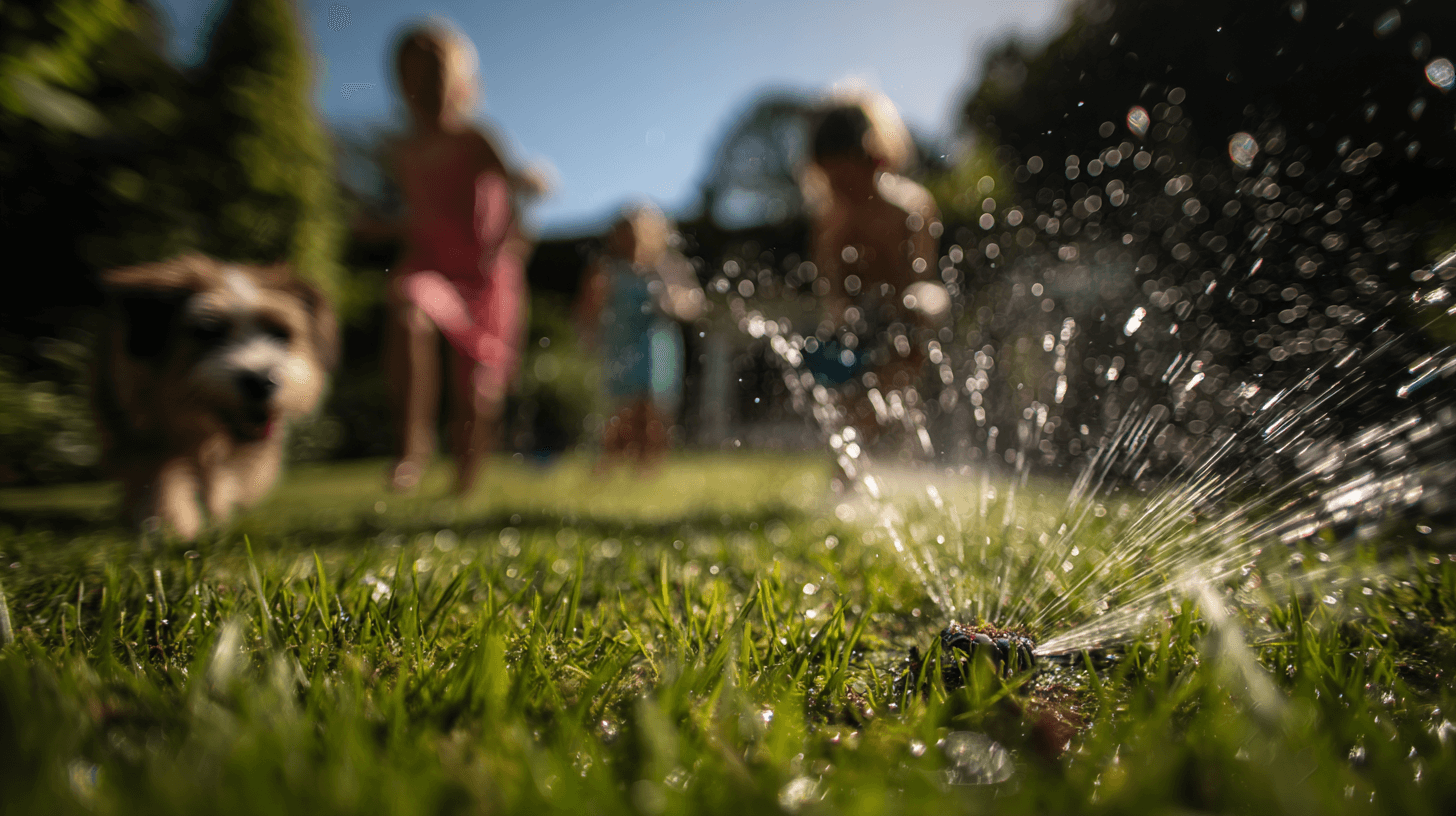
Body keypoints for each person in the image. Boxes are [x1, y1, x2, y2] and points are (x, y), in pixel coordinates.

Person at [364, 20, 544, 495]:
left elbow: (514, 188)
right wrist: (376, 227)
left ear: (461, 84)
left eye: (435, 76)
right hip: (431, 266)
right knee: (407, 308)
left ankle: (465, 480)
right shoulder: (402, 151)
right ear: (400, 85)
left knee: (477, 392)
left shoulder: (476, 139)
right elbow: (418, 214)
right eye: (413, 78)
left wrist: (533, 185)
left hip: (487, 276)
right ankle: (412, 447)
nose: (424, 88)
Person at [803, 95, 946, 442]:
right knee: (843, 376)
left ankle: (894, 438)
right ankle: (852, 464)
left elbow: (921, 277)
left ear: (874, 160)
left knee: (921, 305)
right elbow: (832, 289)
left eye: (846, 181)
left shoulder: (910, 208)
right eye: (831, 183)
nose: (841, 192)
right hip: (860, 319)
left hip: (909, 313)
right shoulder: (831, 221)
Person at [575, 204, 704, 474]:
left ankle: (648, 467)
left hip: (659, 346)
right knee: (623, 407)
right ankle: (609, 462)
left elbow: (696, 303)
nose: (630, 242)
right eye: (625, 235)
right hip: (620, 345)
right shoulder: (606, 269)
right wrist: (587, 340)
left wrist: (674, 301)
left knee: (656, 408)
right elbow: (587, 311)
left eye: (637, 235)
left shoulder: (668, 266)